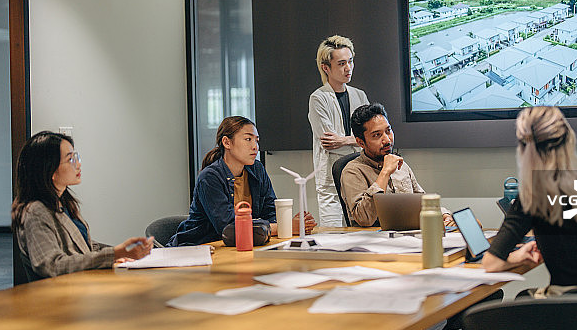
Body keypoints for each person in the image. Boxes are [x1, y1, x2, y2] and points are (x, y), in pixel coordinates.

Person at [482, 106, 577, 294]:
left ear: (524, 149)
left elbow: (490, 264)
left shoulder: (532, 199)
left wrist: (517, 258)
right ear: (569, 141)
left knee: (521, 299)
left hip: (567, 312)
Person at [11, 131, 153, 281]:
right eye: (70, 159)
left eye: (76, 157)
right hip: (59, 296)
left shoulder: (64, 202)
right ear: (49, 169)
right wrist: (114, 254)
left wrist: (122, 252)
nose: (78, 164)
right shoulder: (36, 212)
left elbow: (82, 245)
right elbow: (51, 265)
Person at [169, 116, 316, 246]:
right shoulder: (210, 177)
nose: (255, 147)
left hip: (239, 247)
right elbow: (228, 228)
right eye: (248, 139)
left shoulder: (256, 169)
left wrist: (287, 224)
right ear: (227, 142)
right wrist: (286, 226)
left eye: (257, 141)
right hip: (199, 247)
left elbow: (270, 212)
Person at [339, 102, 454, 227]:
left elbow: (421, 202)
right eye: (377, 135)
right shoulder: (352, 171)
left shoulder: (401, 165)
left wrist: (444, 215)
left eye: (388, 131)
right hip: (375, 240)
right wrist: (385, 173)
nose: (387, 140)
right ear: (360, 142)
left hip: (407, 235)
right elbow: (364, 218)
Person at [308, 35, 369, 227]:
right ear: (326, 68)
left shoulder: (359, 95)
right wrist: (358, 140)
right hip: (330, 179)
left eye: (350, 61)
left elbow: (370, 135)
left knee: (362, 233)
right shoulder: (318, 98)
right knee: (332, 236)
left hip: (359, 175)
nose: (348, 68)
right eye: (342, 63)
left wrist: (345, 140)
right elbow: (330, 142)